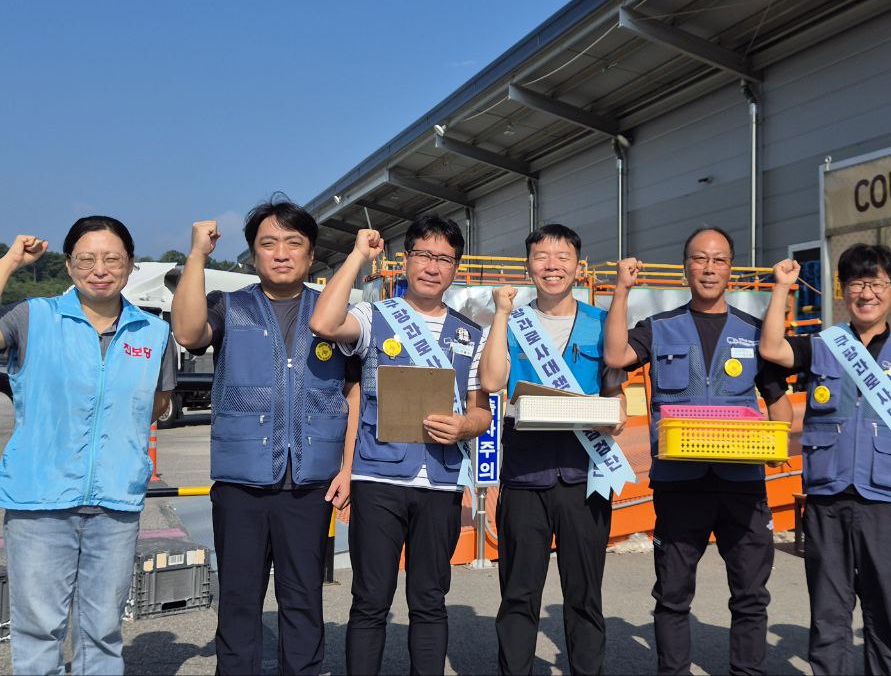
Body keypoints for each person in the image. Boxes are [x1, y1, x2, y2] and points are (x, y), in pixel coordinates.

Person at [170, 201, 361, 675]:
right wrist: (197, 255)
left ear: (311, 254)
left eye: (293, 243)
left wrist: (348, 467)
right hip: (241, 484)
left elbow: (355, 391)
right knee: (238, 601)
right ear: (253, 256)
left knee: (303, 602)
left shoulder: (333, 311)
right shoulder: (229, 306)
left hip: (309, 483)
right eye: (268, 244)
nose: (281, 254)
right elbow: (188, 332)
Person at [603, 226, 792, 676]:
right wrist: (622, 290)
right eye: (700, 259)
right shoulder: (661, 329)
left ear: (731, 267)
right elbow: (614, 355)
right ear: (685, 266)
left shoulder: (754, 333)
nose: (709, 269)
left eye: (720, 259)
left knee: (750, 595)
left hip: (742, 485)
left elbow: (779, 402)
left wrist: (777, 439)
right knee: (672, 594)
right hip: (679, 483)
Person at [310, 215, 492, 676]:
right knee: (370, 599)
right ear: (405, 259)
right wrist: (357, 256)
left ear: (457, 268)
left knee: (430, 599)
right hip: (378, 479)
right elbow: (324, 322)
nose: (432, 267)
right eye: (423, 255)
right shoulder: (375, 317)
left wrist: (465, 427)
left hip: (442, 483)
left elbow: (481, 410)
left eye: (444, 259)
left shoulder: (471, 334)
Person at [0, 218, 175, 675]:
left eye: (112, 258)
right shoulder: (32, 317)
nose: (100, 269)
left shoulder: (154, 333)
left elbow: (157, 405)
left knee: (103, 631)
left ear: (131, 265)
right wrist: (10, 261)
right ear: (69, 265)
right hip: (40, 502)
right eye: (86, 259)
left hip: (115, 503)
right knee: (38, 631)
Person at [759, 245, 891, 676]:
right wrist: (781, 289)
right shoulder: (822, 346)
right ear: (843, 291)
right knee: (828, 611)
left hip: (887, 498)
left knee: (885, 610)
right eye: (857, 283)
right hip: (827, 496)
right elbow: (771, 348)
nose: (867, 293)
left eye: (877, 283)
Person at [478, 224, 630, 676]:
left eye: (562, 257)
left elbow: (616, 388)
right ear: (528, 265)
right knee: (519, 595)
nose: (552, 265)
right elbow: (490, 383)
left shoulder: (602, 324)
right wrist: (501, 314)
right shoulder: (512, 322)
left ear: (579, 267)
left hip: (586, 475)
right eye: (542, 256)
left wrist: (616, 411)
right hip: (525, 475)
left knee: (585, 595)